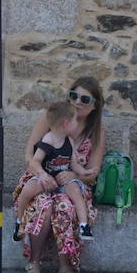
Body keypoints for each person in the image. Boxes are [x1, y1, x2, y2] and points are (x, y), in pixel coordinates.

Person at [13, 77, 106, 273]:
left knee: (64, 204)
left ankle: (65, 266)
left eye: (85, 99)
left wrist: (75, 175)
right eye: (73, 95)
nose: (77, 102)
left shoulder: (97, 132)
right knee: (43, 204)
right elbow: (30, 155)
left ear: (94, 106)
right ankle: (34, 262)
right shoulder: (50, 119)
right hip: (41, 178)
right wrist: (43, 175)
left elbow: (93, 170)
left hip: (72, 184)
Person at [13, 101, 93, 241]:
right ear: (66, 123)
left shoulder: (70, 141)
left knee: (74, 189)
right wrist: (42, 175)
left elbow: (73, 164)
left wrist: (84, 172)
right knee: (28, 189)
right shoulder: (48, 140)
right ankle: (19, 222)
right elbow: (35, 161)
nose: (77, 122)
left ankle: (84, 226)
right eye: (75, 120)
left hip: (62, 182)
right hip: (46, 179)